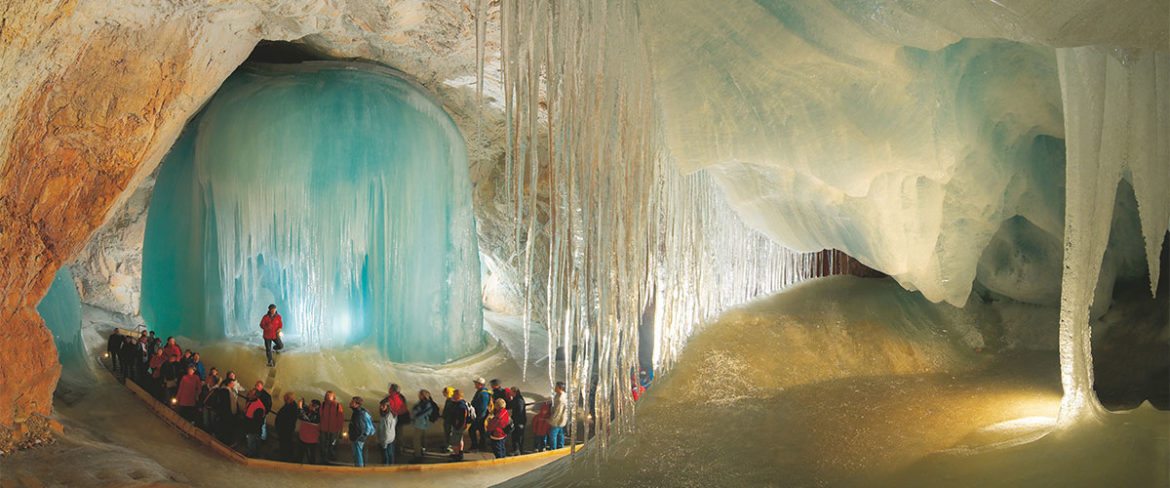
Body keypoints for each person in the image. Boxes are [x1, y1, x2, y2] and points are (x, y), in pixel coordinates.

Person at [380, 383, 409, 457]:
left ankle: (393, 450)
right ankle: (399, 449)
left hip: (393, 418)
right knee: (399, 434)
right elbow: (404, 408)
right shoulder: (401, 397)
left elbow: (386, 407)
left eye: (390, 388)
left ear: (391, 390)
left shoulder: (389, 398)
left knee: (390, 434)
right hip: (400, 417)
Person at [408, 390, 436, 462]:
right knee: (420, 438)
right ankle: (421, 451)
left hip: (420, 424)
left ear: (423, 395)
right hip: (422, 423)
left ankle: (418, 455)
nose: (418, 396)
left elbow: (422, 413)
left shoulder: (425, 404)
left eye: (420, 394)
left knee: (416, 439)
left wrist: (415, 414)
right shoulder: (424, 403)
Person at [443, 389, 470, 461]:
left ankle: (457, 455)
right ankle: (459, 453)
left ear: (458, 395)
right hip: (460, 425)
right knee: (459, 439)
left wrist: (457, 425)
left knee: (455, 441)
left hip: (458, 426)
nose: (452, 396)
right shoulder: (463, 403)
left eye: (454, 394)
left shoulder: (460, 405)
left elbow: (462, 416)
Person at [319, 391, 344, 462]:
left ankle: (332, 458)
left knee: (333, 444)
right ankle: (323, 458)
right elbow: (320, 417)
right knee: (323, 444)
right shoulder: (323, 405)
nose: (327, 397)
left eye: (329, 395)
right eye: (326, 395)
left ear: (333, 397)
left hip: (334, 430)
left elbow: (340, 419)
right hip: (323, 429)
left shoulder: (338, 406)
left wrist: (340, 430)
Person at [348, 396, 374, 467]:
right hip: (359, 438)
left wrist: (355, 438)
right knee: (359, 455)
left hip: (358, 439)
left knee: (358, 456)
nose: (350, 403)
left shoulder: (358, 414)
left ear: (357, 404)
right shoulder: (359, 412)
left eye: (352, 402)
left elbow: (360, 428)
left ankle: (359, 471)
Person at [276, 392, 301, 462]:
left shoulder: (292, 407)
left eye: (285, 398)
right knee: (285, 443)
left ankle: (285, 458)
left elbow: (288, 420)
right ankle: (285, 456)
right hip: (284, 430)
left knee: (286, 444)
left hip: (286, 430)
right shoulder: (290, 406)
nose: (284, 400)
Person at [469, 377, 491, 451]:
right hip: (481, 416)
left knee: (472, 430)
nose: (475, 384)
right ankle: (482, 446)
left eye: (476, 383)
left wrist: (477, 417)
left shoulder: (483, 394)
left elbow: (482, 408)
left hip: (480, 416)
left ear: (480, 384)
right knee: (481, 431)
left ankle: (475, 446)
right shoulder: (482, 392)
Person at [244, 389, 267, 457]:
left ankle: (251, 457)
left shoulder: (259, 406)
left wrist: (249, 431)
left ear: (255, 396)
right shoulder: (251, 401)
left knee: (252, 444)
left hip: (253, 430)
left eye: (251, 392)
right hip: (249, 427)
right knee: (250, 444)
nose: (249, 393)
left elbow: (257, 422)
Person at [298, 399, 321, 464]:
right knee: (306, 455)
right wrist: (303, 402)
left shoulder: (315, 416)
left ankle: (310, 467)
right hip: (307, 438)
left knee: (309, 456)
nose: (309, 406)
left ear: (315, 407)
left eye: (311, 405)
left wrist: (300, 407)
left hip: (309, 439)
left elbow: (303, 417)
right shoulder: (313, 412)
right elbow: (306, 408)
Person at [507, 387, 528, 455]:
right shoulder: (517, 399)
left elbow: (520, 412)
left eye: (511, 392)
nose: (510, 393)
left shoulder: (519, 401)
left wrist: (518, 422)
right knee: (517, 436)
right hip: (518, 421)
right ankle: (518, 449)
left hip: (519, 422)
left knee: (517, 436)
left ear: (514, 392)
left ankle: (517, 450)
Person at [376, 397, 397, 465]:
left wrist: (383, 442)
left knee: (386, 456)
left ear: (388, 406)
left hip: (386, 439)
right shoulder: (391, 415)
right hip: (390, 438)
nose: (381, 407)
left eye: (383, 406)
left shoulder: (386, 417)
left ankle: (387, 468)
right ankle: (390, 467)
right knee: (390, 454)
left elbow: (386, 430)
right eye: (380, 406)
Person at [548, 381, 568, 449]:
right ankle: (560, 446)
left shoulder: (561, 399)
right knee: (560, 433)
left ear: (560, 388)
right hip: (561, 419)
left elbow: (558, 412)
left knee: (553, 434)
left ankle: (553, 448)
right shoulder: (559, 395)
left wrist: (552, 420)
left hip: (558, 419)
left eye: (556, 387)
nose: (555, 388)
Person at [440, 386, 455, 452]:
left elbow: (449, 411)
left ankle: (449, 446)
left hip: (449, 420)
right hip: (447, 420)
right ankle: (447, 445)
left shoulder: (451, 400)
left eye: (445, 392)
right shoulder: (449, 399)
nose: (443, 393)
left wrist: (444, 415)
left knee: (449, 433)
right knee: (447, 433)